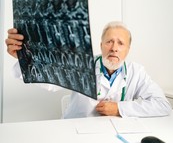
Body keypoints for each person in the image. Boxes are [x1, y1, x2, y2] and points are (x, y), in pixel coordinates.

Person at [5, 21, 172, 118]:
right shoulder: (82, 64)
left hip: (115, 136)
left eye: (121, 43)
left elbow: (163, 106)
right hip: (76, 134)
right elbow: (48, 78)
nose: (114, 48)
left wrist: (120, 109)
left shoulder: (137, 72)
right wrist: (23, 57)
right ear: (101, 45)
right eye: (109, 42)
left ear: (128, 49)